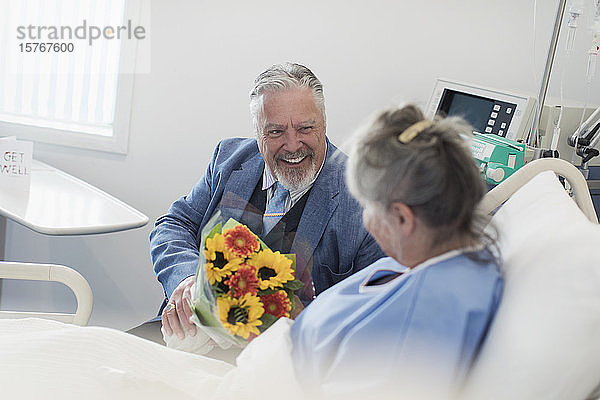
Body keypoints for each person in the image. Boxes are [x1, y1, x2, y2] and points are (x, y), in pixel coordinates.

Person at [130, 63, 384, 349]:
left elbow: (373, 312)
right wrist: (186, 279)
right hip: (187, 334)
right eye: (275, 132)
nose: (292, 144)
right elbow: (175, 224)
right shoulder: (228, 158)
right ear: (257, 130)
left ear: (324, 122)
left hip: (284, 363)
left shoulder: (364, 198)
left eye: (305, 128)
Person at [290, 105, 504, 399]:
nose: (364, 220)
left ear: (403, 218)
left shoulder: (417, 325)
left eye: (366, 205)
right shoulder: (436, 260)